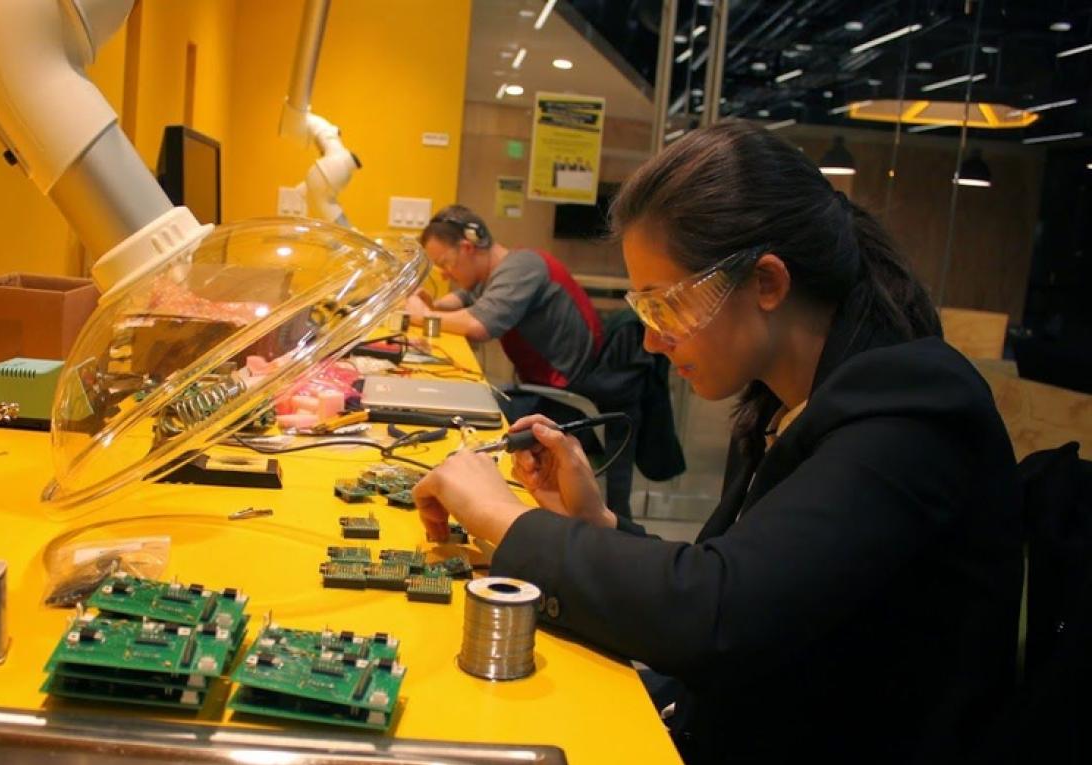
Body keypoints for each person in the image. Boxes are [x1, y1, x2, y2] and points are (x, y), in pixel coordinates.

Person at [412, 121, 1022, 764]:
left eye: (665, 307)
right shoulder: (784, 403)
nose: (650, 341)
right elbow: (740, 581)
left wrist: (501, 517)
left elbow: (717, 615)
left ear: (766, 282)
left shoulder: (913, 411)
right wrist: (597, 523)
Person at [405, 205, 604, 400]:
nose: (445, 275)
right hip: (541, 387)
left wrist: (423, 317)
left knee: (451, 404)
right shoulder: (498, 273)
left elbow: (479, 325)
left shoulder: (522, 267)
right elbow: (464, 298)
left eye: (445, 264)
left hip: (564, 397)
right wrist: (433, 305)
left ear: (467, 248)